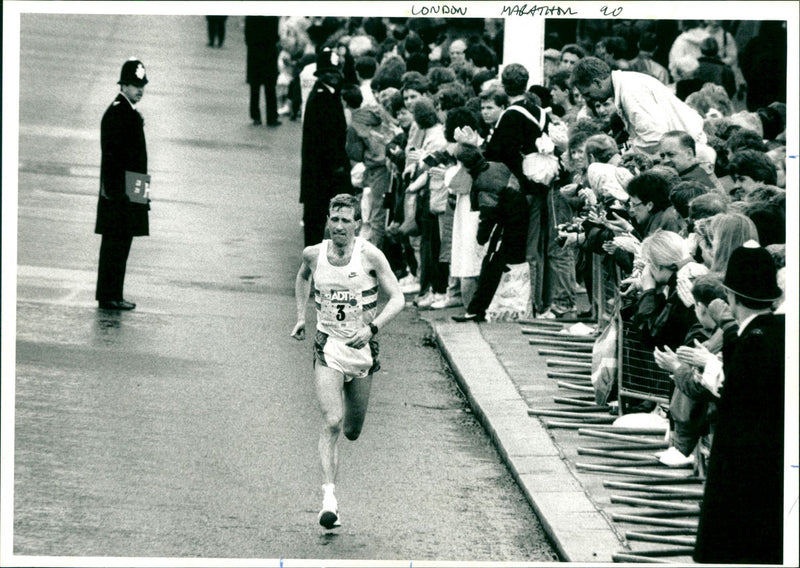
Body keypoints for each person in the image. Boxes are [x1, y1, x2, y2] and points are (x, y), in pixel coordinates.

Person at [290, 194, 404, 530]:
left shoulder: (370, 256)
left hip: (362, 351)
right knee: (332, 421)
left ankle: (331, 495)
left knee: (352, 430)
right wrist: (301, 316)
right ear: (327, 220)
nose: (339, 226)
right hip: (329, 347)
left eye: (346, 220)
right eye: (334, 219)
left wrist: (372, 329)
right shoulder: (314, 254)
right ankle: (329, 501)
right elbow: (302, 277)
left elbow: (398, 297)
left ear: (357, 222)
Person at [693, 242, 784, 564]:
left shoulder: (751, 343)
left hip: (745, 463)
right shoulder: (779, 332)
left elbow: (737, 400)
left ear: (730, 296)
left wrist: (710, 373)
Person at [570, 57, 714, 164]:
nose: (590, 100)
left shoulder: (631, 91)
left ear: (597, 82)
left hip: (691, 155)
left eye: (588, 94)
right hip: (683, 150)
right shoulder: (627, 84)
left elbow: (654, 136)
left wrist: (624, 156)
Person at [94, 58, 150, 311]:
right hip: (119, 194)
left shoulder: (128, 112)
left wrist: (142, 196)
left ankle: (114, 293)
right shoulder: (118, 113)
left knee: (122, 245)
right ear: (124, 85)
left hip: (130, 188)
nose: (140, 90)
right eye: (135, 85)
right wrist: (121, 195)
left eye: (142, 85)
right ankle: (108, 295)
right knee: (114, 246)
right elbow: (113, 159)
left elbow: (138, 161)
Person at [300, 46, 354, 246]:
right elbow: (325, 140)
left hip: (323, 173)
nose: (334, 77)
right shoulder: (322, 99)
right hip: (322, 173)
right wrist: (337, 166)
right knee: (316, 220)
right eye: (329, 73)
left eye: (335, 72)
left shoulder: (327, 94)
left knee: (320, 217)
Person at [658, 131, 724, 192]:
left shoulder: (691, 186)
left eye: (671, 154)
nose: (665, 160)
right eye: (662, 156)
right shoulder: (698, 172)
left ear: (689, 154)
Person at [245, 16, 281, 127]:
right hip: (269, 55)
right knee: (270, 88)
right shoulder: (272, 17)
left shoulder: (251, 16)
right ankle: (271, 117)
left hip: (254, 56)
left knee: (254, 88)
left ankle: (255, 116)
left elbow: (247, 38)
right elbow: (275, 37)